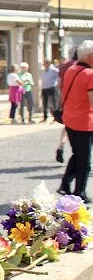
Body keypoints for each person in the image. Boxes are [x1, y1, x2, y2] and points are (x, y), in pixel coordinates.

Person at [57, 40, 93, 203]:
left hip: (70, 119)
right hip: (85, 122)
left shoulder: (71, 69)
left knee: (76, 154)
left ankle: (65, 183)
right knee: (84, 160)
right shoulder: (89, 74)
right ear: (90, 56)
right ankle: (80, 192)